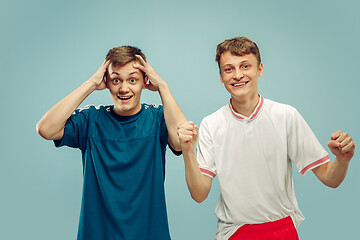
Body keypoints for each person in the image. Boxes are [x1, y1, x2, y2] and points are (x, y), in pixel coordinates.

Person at [177, 37, 355, 240]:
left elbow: (329, 178)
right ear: (220, 76)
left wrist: (342, 159)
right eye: (228, 69)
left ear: (259, 69)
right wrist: (188, 150)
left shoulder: (286, 116)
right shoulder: (211, 124)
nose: (237, 75)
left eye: (245, 66)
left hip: (282, 230)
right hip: (235, 232)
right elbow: (199, 195)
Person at [36, 46, 186, 240]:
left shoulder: (157, 118)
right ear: (106, 82)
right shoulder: (91, 119)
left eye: (132, 80)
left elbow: (182, 142)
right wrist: (90, 84)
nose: (124, 88)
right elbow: (46, 129)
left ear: (145, 81)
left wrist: (163, 87)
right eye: (116, 80)